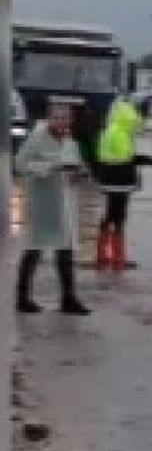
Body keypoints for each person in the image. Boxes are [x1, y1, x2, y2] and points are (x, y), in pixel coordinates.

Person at [14, 102, 91, 315]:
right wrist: (48, 167)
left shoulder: (70, 142)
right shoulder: (36, 139)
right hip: (41, 203)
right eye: (56, 118)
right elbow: (20, 164)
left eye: (64, 118)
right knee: (34, 248)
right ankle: (22, 298)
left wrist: (79, 173)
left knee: (65, 251)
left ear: (70, 120)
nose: (60, 122)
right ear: (49, 118)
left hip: (63, 203)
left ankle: (68, 299)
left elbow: (73, 169)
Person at [95, 96, 146, 270]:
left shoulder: (109, 130)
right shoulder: (121, 133)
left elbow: (105, 157)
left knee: (110, 216)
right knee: (118, 218)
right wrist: (145, 160)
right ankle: (118, 258)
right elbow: (126, 158)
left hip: (108, 181)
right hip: (121, 182)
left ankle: (102, 255)